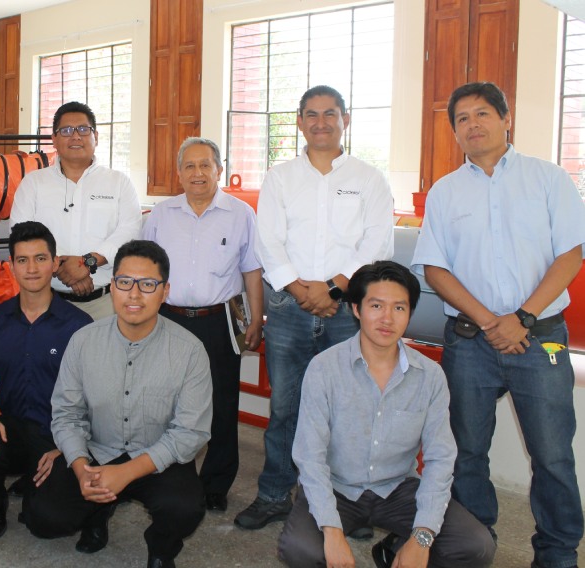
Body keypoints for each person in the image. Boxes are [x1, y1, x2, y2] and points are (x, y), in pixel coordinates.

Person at [412, 81, 585, 568]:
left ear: (506, 119)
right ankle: (474, 541)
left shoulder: (549, 178)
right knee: (464, 450)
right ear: (454, 131)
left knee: (552, 454)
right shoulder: (445, 193)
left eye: (483, 113)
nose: (473, 124)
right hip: (470, 342)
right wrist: (493, 322)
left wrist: (522, 318)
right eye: (462, 118)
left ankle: (557, 552)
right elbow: (435, 269)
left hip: (542, 339)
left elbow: (571, 255)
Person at [238, 84, 395, 531]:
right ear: (300, 122)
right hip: (289, 307)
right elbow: (268, 238)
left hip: (349, 312)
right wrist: (301, 289)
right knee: (285, 406)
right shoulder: (281, 176)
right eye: (311, 114)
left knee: (351, 406)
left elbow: (376, 241)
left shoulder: (369, 178)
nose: (321, 122)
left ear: (346, 119)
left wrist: (334, 288)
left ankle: (352, 503)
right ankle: (273, 494)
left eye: (330, 113)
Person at [278, 261, 496, 568]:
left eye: (399, 308)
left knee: (475, 545)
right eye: (376, 305)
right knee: (302, 550)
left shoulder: (430, 376)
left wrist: (422, 538)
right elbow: (309, 457)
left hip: (398, 489)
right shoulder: (325, 368)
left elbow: (440, 459)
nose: (387, 318)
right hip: (337, 487)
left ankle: (397, 546)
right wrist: (332, 530)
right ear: (356, 309)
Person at [24, 240, 213, 568]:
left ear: (165, 290)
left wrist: (125, 473)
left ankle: (161, 547)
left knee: (185, 508)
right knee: (43, 518)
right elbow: (67, 413)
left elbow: (189, 433)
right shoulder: (84, 341)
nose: (135, 294)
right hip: (98, 450)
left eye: (148, 284)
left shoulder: (190, 351)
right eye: (125, 282)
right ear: (112, 287)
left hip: (157, 457)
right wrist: (81, 468)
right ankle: (96, 515)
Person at [143, 136, 263, 512]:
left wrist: (256, 319)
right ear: (179, 173)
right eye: (190, 166)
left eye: (205, 165)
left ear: (219, 170)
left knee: (222, 404)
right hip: (168, 320)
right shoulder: (159, 216)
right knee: (164, 402)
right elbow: (145, 271)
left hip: (220, 321)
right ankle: (165, 472)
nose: (198, 173)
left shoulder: (241, 214)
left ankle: (216, 483)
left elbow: (252, 271)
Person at [0, 221, 93, 539]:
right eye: (22, 260)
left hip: (61, 436)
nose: (32, 268)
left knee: (47, 522)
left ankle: (47, 491)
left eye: (40, 258)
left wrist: (71, 448)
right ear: (11, 266)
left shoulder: (79, 326)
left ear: (55, 264)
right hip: (14, 430)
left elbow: (98, 397)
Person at [10, 100, 142, 321]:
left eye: (83, 129)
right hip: (47, 304)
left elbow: (130, 229)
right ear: (53, 139)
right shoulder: (33, 183)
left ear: (96, 137)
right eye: (66, 130)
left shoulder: (119, 182)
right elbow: (21, 232)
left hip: (105, 304)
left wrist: (88, 263)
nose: (75, 136)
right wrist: (63, 267)